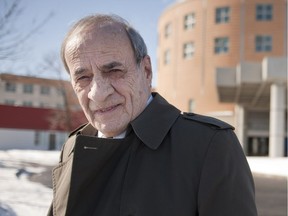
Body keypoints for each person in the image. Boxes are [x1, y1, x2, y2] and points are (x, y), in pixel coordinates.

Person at [48, 14, 258, 216]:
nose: (99, 93)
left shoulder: (208, 145)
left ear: (146, 70)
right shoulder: (73, 146)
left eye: (114, 71)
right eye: (83, 77)